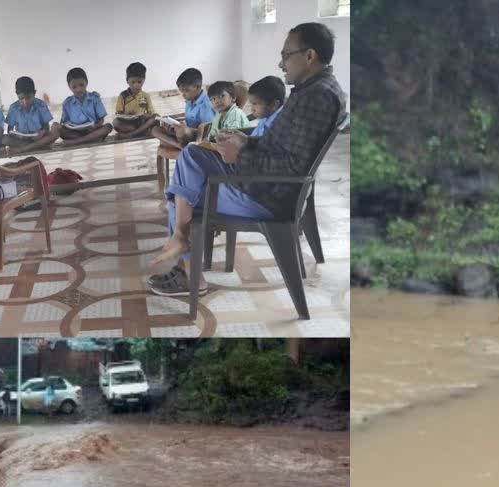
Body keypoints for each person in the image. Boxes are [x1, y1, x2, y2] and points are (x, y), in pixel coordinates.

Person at [146, 23, 346, 297]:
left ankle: (189, 274)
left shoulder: (317, 98)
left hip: (265, 196)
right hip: (261, 181)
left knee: (181, 194)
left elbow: (292, 167)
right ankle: (181, 240)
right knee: (192, 155)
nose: (281, 62)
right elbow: (283, 145)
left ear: (309, 56)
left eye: (286, 55)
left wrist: (242, 152)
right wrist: (245, 140)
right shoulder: (314, 89)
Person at [151, 67, 216, 150]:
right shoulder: (190, 101)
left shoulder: (205, 104)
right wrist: (173, 124)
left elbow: (208, 130)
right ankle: (180, 146)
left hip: (197, 137)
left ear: (197, 87)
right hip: (185, 136)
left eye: (186, 91)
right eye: (182, 91)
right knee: (155, 130)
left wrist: (186, 130)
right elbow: (189, 121)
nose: (183, 94)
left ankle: (185, 145)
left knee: (182, 131)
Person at [54, 68, 112, 146]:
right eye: (74, 87)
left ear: (86, 83)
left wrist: (95, 126)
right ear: (69, 87)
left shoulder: (94, 98)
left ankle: (76, 141)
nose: (78, 89)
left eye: (81, 85)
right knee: (57, 127)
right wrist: (69, 126)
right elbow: (63, 123)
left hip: (93, 130)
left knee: (108, 127)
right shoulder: (67, 103)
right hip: (75, 132)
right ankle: (91, 139)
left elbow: (101, 119)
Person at [4, 76, 57, 153]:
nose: (25, 102)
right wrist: (16, 135)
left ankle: (24, 148)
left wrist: (42, 133)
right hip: (21, 139)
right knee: (4, 139)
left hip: (38, 137)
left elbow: (46, 127)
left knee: (55, 132)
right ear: (17, 94)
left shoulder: (41, 105)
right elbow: (10, 130)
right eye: (21, 98)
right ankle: (38, 146)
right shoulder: (13, 108)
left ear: (34, 93)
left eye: (28, 97)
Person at [113, 62, 159, 139]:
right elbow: (119, 112)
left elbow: (151, 113)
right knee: (115, 122)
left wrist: (144, 115)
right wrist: (126, 114)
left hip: (142, 122)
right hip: (128, 123)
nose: (136, 85)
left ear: (144, 80)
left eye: (139, 82)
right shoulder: (123, 95)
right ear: (127, 81)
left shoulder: (146, 96)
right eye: (133, 82)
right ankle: (142, 132)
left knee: (156, 117)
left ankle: (131, 134)